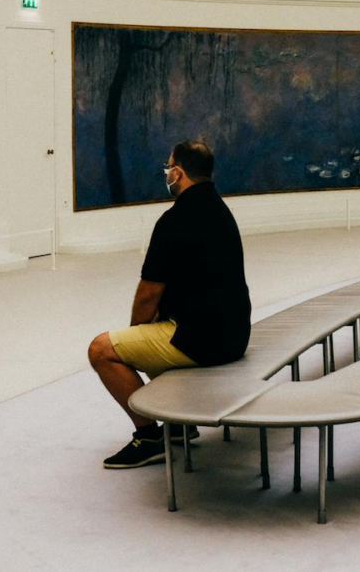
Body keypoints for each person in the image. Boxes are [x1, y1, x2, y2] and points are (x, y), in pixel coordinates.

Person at [87, 139, 251, 469]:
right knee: (157, 329)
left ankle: (148, 438)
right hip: (234, 336)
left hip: (202, 341)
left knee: (102, 349)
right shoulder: (220, 211)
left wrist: (135, 334)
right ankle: (178, 423)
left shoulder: (174, 220)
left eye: (168, 167)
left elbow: (149, 293)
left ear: (178, 174)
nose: (166, 173)